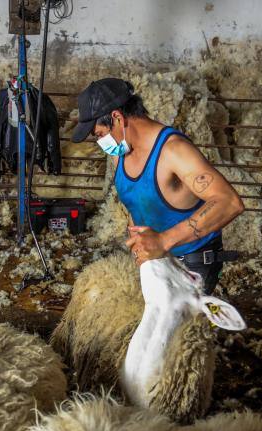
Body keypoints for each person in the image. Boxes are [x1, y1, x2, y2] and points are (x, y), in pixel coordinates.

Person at [70, 78, 244, 294]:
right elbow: (136, 205)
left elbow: (229, 202)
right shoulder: (121, 153)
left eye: (99, 134)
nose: (100, 143)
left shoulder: (173, 150)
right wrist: (140, 250)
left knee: (180, 328)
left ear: (116, 117)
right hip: (154, 260)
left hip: (191, 263)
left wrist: (164, 240)